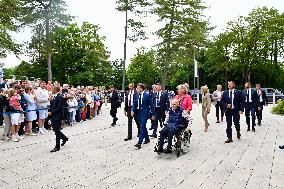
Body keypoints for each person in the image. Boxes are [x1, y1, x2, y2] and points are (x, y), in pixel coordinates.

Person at [131, 83, 154, 149]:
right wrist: (132, 110)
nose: (136, 89)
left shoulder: (147, 95)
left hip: (145, 113)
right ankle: (147, 139)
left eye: (137, 88)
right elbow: (134, 104)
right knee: (142, 126)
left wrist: (153, 114)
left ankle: (139, 142)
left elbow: (151, 105)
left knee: (142, 126)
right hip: (139, 113)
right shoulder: (137, 95)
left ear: (141, 88)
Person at [49, 86, 69, 153]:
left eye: (52, 89)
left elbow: (59, 108)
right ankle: (64, 138)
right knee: (55, 129)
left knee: (57, 131)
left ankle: (57, 147)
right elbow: (53, 105)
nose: (51, 90)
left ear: (55, 90)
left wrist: (51, 112)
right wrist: (51, 100)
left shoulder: (60, 97)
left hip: (57, 116)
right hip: (53, 115)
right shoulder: (55, 96)